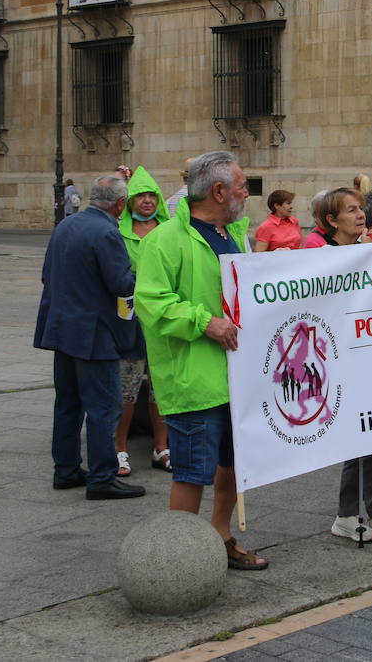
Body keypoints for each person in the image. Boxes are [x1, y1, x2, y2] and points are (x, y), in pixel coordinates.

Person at [135, 151, 268, 570]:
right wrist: (204, 322)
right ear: (218, 191)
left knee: (232, 466)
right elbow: (152, 303)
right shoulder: (165, 240)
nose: (247, 192)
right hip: (194, 379)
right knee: (192, 471)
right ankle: (180, 558)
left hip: (236, 376)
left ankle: (220, 537)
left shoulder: (235, 234)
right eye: (243, 185)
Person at [34, 174, 146, 502]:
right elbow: (121, 284)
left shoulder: (65, 226)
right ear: (121, 204)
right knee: (103, 406)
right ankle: (102, 476)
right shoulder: (108, 232)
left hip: (62, 329)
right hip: (94, 334)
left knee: (68, 404)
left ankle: (66, 470)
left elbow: (46, 275)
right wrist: (145, 274)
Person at [316, 188, 372, 543]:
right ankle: (369, 511)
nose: (359, 214)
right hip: (340, 356)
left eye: (359, 209)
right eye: (350, 210)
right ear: (331, 221)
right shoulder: (322, 256)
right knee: (360, 436)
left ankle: (357, 512)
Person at [115, 167, 171, 475]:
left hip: (161, 322)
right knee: (127, 388)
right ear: (130, 201)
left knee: (160, 388)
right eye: (141, 196)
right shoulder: (118, 232)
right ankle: (119, 448)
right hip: (131, 324)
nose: (147, 201)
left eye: (152, 195)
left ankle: (161, 447)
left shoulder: (169, 229)